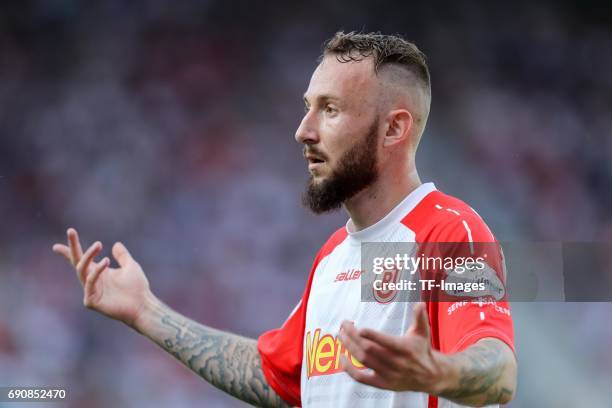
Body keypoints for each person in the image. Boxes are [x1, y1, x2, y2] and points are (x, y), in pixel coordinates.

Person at [53, 31, 517, 408]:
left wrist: (438, 372)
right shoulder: (334, 256)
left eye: (330, 110)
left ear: (394, 128)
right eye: (307, 107)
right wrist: (144, 311)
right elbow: (278, 378)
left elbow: (497, 368)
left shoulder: (451, 231)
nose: (303, 131)